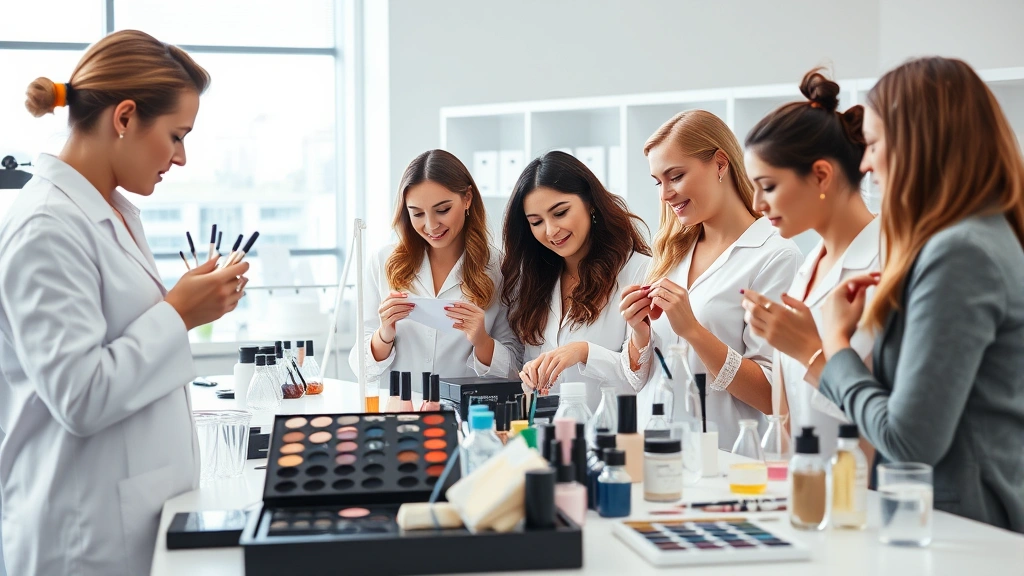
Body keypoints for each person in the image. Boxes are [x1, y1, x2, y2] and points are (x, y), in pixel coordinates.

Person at [0, 30, 248, 576]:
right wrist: (179, 313)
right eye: (176, 135)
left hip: (128, 518)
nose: (181, 157)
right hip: (79, 534)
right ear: (125, 117)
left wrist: (184, 306)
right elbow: (81, 394)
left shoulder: (109, 212)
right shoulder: (46, 226)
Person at [818, 57, 1024, 531]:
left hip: (960, 531)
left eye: (872, 144)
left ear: (918, 143)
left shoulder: (961, 253)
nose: (865, 163)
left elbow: (910, 440)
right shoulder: (982, 236)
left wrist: (836, 345)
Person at [621, 110, 802, 446]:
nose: (664, 195)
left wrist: (692, 330)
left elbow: (771, 394)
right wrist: (639, 334)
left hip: (724, 458)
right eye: (658, 182)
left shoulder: (775, 256)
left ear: (720, 164)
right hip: (652, 450)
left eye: (675, 176)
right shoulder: (670, 251)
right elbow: (636, 379)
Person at [740, 69, 879, 456]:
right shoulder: (805, 270)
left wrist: (812, 350)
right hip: (804, 495)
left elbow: (894, 421)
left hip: (865, 496)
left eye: (767, 186)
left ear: (820, 176)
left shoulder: (890, 265)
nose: (757, 204)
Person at [351, 149, 520, 389]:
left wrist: (481, 340)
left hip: (466, 415)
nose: (431, 225)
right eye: (417, 214)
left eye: (442, 210)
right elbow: (361, 369)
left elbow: (516, 368)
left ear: (467, 198)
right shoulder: (382, 261)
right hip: (401, 413)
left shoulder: (499, 267)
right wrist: (384, 334)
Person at [500, 151, 651, 410]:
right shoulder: (534, 280)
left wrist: (583, 352)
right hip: (546, 436)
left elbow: (642, 377)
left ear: (590, 202)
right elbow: (525, 365)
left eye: (560, 213)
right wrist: (529, 375)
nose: (550, 231)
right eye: (536, 222)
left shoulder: (639, 271)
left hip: (611, 439)